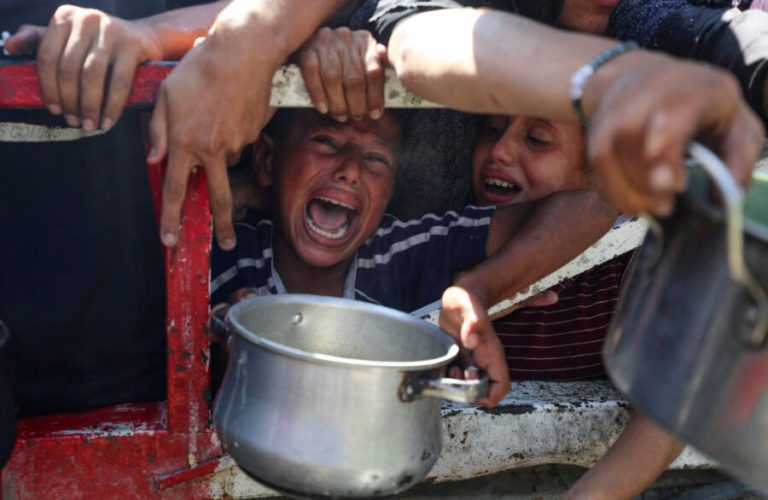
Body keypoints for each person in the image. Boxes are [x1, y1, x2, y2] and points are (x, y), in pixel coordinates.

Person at [210, 108, 616, 406]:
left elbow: (593, 203)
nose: (350, 170)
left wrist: (477, 289)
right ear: (266, 159)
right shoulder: (220, 254)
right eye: (327, 143)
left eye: (376, 159)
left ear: (392, 190)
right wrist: (218, 347)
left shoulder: (397, 252)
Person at [467, 112, 684, 499]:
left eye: (536, 139)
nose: (499, 151)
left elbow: (668, 408)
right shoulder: (454, 241)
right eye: (492, 130)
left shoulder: (626, 261)